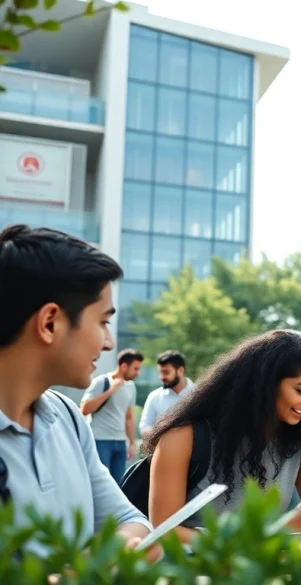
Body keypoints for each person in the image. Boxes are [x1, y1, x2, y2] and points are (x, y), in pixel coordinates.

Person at [0, 224, 156, 558]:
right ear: (50, 322)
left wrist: (105, 558)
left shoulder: (66, 417)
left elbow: (131, 521)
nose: (109, 341)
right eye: (102, 322)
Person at [144, 330, 301, 543]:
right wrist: (277, 529)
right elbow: (164, 533)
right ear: (264, 385)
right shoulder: (182, 439)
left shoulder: (300, 440)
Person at [80, 348, 143, 479]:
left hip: (120, 443)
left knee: (118, 486)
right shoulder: (102, 381)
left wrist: (131, 442)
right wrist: (111, 390)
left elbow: (129, 418)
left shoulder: (131, 386)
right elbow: (85, 409)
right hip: (100, 441)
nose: (138, 373)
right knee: (100, 482)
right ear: (124, 366)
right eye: (135, 369)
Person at [139, 350, 194, 439]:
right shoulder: (154, 396)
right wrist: (161, 430)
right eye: (160, 372)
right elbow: (144, 427)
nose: (162, 377)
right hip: (163, 450)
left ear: (180, 371)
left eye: (166, 372)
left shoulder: (198, 394)